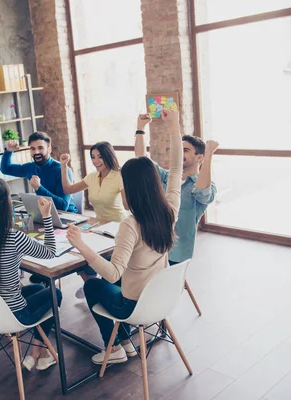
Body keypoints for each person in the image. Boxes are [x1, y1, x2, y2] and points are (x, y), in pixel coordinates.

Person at [66, 109, 183, 365]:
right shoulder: (170, 209)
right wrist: (174, 125)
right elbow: (176, 168)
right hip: (161, 299)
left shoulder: (130, 225)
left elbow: (112, 273)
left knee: (92, 285)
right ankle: (126, 342)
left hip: (134, 307)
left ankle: (117, 346)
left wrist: (81, 246)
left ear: (129, 189)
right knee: (113, 285)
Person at [0, 178, 62, 371]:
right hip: (15, 313)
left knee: (37, 288)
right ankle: (40, 350)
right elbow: (51, 252)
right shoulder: (13, 237)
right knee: (55, 293)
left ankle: (38, 350)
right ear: (5, 205)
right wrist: (46, 217)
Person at [134, 114, 218, 265]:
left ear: (199, 157)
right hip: (151, 247)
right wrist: (140, 128)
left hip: (176, 254)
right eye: (179, 149)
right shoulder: (166, 176)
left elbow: (202, 192)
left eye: (185, 150)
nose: (179, 153)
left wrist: (209, 154)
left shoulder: (203, 186)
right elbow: (141, 160)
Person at [60, 141, 129, 298]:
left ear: (109, 156)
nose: (96, 161)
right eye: (92, 157)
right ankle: (90, 283)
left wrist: (128, 182)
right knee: (77, 249)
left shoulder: (119, 176)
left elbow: (127, 206)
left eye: (100, 156)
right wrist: (64, 166)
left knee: (105, 261)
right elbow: (68, 189)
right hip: (98, 228)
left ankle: (98, 287)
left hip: (117, 228)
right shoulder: (92, 177)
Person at [0, 131, 78, 213]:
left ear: (49, 149)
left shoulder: (62, 170)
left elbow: (63, 206)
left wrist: (38, 188)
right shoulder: (29, 167)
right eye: (33, 149)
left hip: (67, 215)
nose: (36, 152)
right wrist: (8, 151)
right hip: (45, 213)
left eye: (40, 148)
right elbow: (5, 169)